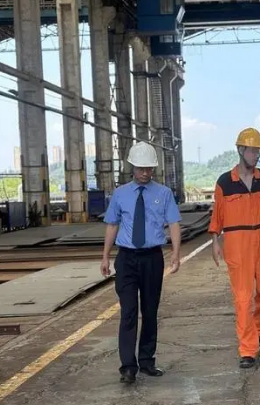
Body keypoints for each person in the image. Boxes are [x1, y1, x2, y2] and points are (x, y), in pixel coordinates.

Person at [101, 141, 182, 383]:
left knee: (149, 310)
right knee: (128, 311)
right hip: (126, 259)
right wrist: (105, 256)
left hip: (152, 258)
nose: (145, 173)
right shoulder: (120, 194)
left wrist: (176, 253)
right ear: (132, 167)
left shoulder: (163, 194)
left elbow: (174, 223)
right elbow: (112, 225)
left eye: (149, 168)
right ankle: (128, 366)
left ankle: (147, 361)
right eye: (141, 168)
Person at [208, 127, 260, 369]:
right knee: (242, 298)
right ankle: (248, 349)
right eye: (252, 151)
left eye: (258, 151)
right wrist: (215, 241)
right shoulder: (224, 182)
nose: (255, 155)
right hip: (237, 242)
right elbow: (217, 215)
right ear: (240, 150)